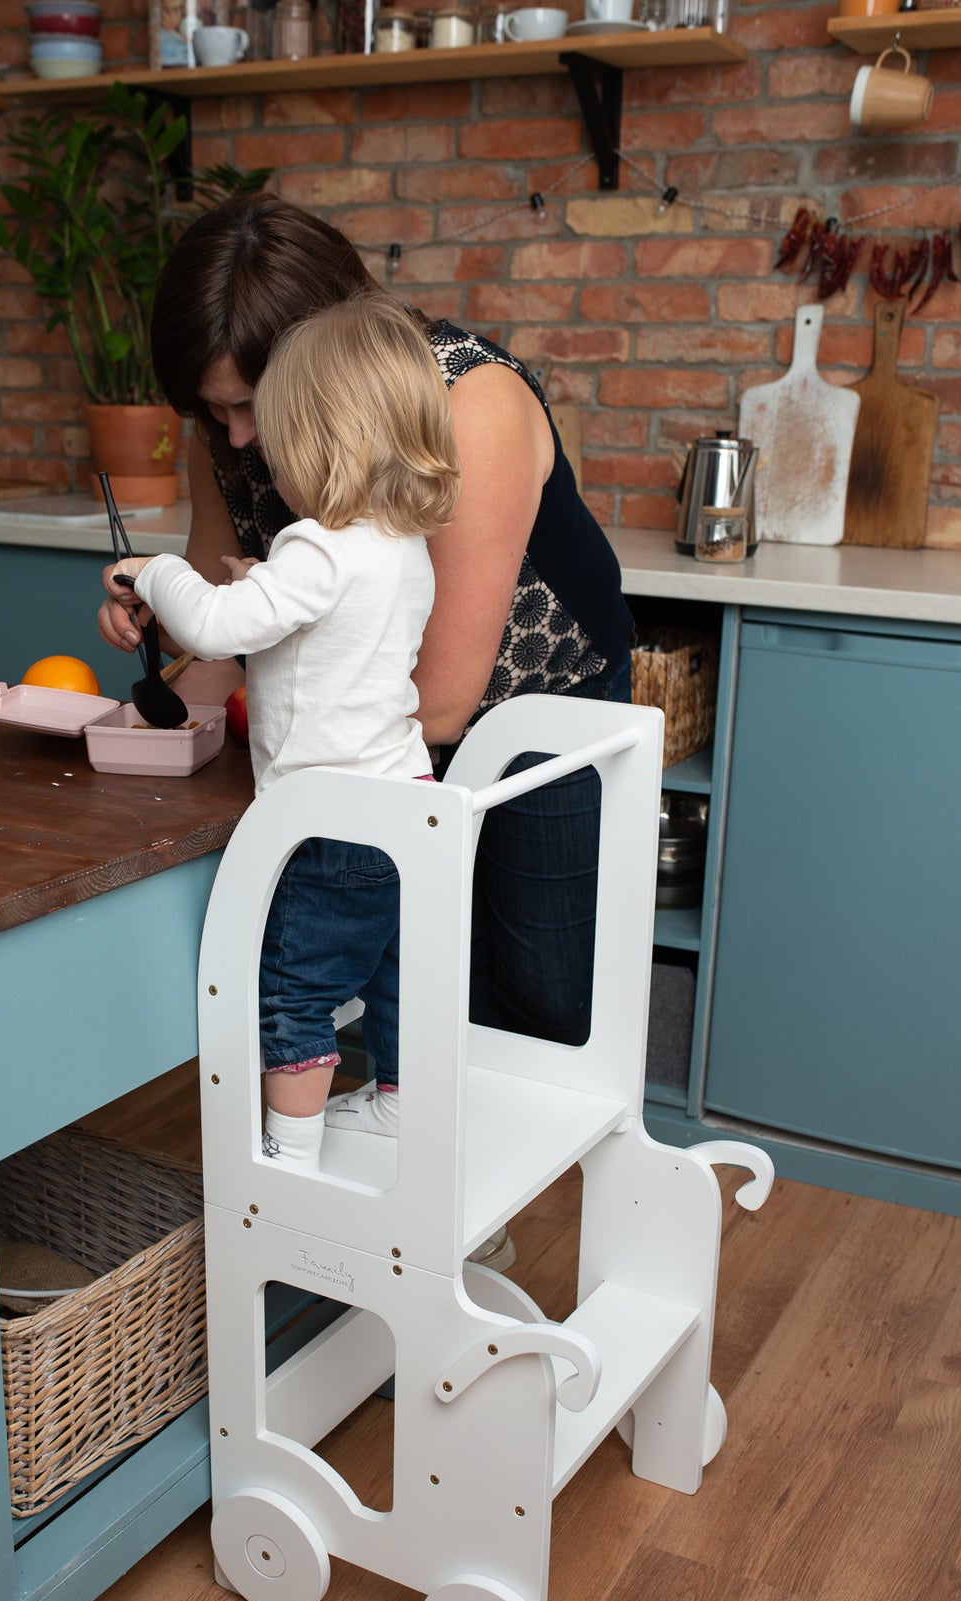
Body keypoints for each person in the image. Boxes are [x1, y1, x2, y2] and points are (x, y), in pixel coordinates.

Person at [97, 194, 633, 1065]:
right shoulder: (228, 433)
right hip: (376, 726)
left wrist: (257, 672)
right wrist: (162, 669)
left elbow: (441, 703)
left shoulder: (468, 407)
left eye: (251, 406)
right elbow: (220, 648)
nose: (236, 437)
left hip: (533, 703)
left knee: (538, 993)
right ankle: (413, 1127)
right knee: (420, 982)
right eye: (212, 410)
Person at [101, 291, 460, 1172]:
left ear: (321, 445)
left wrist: (156, 570)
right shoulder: (400, 545)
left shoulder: (318, 547)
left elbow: (212, 628)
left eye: (279, 441)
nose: (261, 455)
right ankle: (397, 1105)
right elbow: (332, 634)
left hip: (326, 819)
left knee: (292, 985)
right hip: (405, 799)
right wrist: (260, 579)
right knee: (395, 968)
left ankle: (289, 1155)